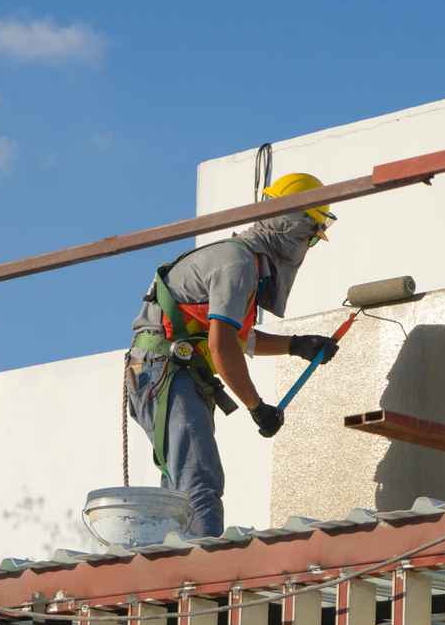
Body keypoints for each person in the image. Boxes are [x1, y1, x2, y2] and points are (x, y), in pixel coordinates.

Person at [126, 173, 340, 537]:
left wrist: (295, 345)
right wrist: (257, 407)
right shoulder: (237, 264)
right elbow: (221, 347)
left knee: (181, 489)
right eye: (310, 236)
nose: (308, 246)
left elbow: (236, 339)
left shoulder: (242, 265)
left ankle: (176, 566)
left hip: (165, 370)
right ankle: (205, 582)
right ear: (292, 226)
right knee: (199, 482)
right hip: (166, 369)